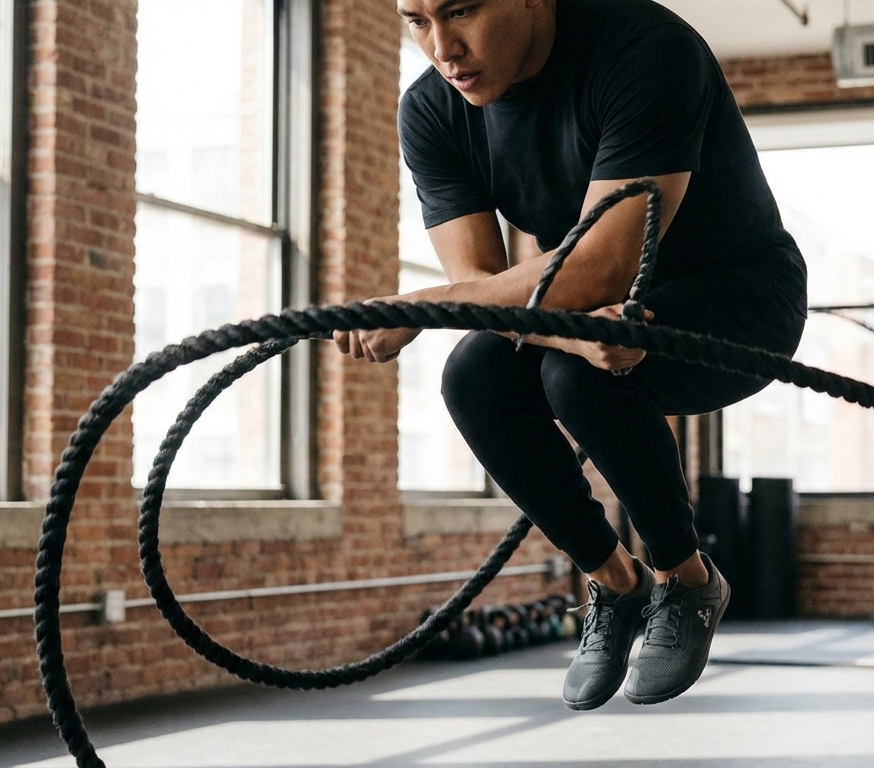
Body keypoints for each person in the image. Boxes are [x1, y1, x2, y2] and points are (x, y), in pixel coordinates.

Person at [336, 0, 807, 709]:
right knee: (474, 374)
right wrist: (553, 328)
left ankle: (687, 578)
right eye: (417, 20)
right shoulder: (434, 110)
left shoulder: (647, 48)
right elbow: (487, 296)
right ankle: (618, 584)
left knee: (577, 377)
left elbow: (603, 266)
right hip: (583, 308)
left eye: (460, 11)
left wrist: (419, 306)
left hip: (739, 305)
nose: (442, 46)